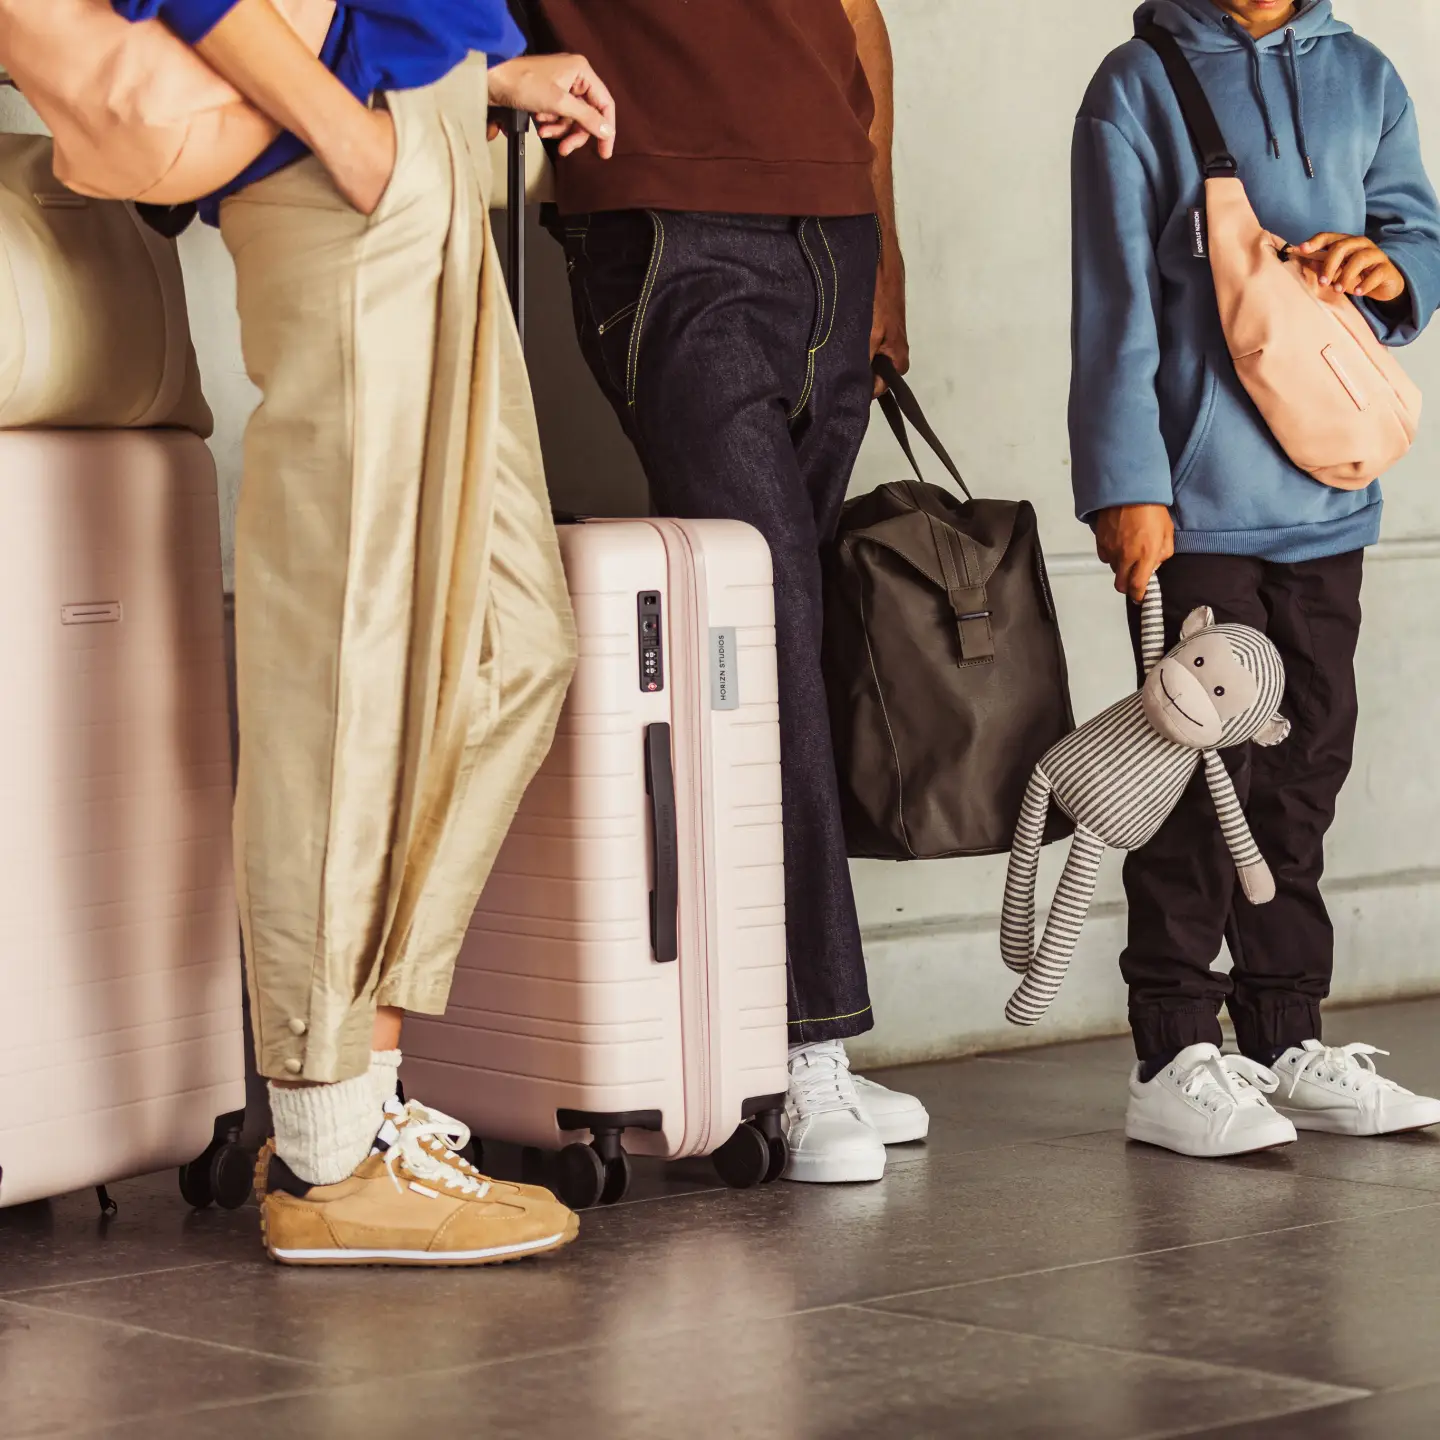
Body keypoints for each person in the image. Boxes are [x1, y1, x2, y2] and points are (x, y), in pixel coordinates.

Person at [117, 0, 616, 1263]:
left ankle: (356, 1104)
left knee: (511, 643)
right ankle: (330, 1145)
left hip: (421, 130)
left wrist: (480, 66)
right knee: (345, 667)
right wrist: (343, 126)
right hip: (337, 154)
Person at [517, 0, 928, 1184]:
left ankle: (774, 1028)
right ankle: (799, 1047)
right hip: (667, 223)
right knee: (767, 624)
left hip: (831, 231)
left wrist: (882, 238)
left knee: (789, 632)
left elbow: (858, 16)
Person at [1072, 0, 1440, 1157]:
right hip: (1198, 504)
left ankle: (1286, 1031)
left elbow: (1418, 233)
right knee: (1195, 772)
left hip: (1330, 495)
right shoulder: (1137, 82)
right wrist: (1127, 484)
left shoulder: (1367, 75)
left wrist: (1389, 267)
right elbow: (1113, 306)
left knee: (1308, 758)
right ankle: (1173, 1048)